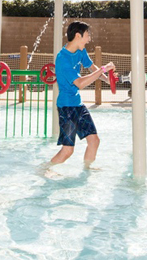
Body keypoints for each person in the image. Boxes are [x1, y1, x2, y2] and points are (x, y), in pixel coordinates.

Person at [49, 21, 116, 169]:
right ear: (78, 36)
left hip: (78, 105)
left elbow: (92, 68)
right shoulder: (62, 59)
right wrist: (104, 69)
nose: (89, 39)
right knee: (68, 151)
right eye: (87, 35)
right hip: (66, 107)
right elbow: (79, 83)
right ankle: (45, 169)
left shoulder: (80, 51)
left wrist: (108, 79)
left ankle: (87, 170)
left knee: (94, 141)